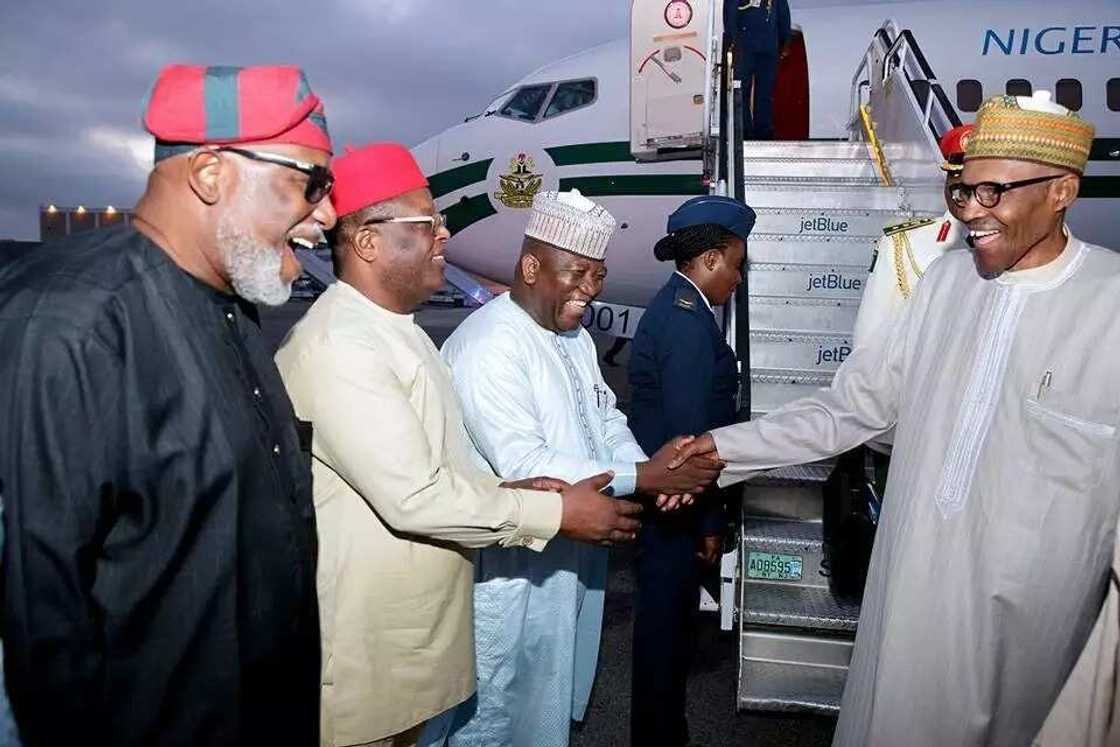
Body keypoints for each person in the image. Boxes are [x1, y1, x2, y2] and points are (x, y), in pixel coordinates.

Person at [670, 90, 1116, 745]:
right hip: (910, 603)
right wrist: (715, 448)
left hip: (1035, 647)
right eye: (964, 193)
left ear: (1062, 191)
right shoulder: (945, 284)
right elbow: (850, 408)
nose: (971, 214)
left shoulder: (1109, 306)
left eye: (993, 193)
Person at [0, 64, 336, 745]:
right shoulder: (74, 321)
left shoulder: (232, 309)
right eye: (311, 182)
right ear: (212, 175)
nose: (326, 214)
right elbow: (44, 624)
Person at [275, 147, 643, 747]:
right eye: (425, 224)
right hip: (373, 654)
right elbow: (416, 497)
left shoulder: (397, 333)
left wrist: (514, 490)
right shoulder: (343, 345)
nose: (444, 233)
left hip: (413, 647)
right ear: (367, 243)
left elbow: (439, 468)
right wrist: (553, 511)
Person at [441, 190, 723, 747]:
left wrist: (649, 465)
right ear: (530, 266)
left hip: (565, 561)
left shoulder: (572, 338)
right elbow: (526, 462)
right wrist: (647, 480)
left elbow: (605, 419)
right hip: (508, 577)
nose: (590, 290)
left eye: (598, 274)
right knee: (492, 717)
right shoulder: (490, 342)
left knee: (541, 717)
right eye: (577, 273)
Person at [627, 195, 756, 747]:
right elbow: (687, 442)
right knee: (663, 634)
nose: (739, 278)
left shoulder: (684, 308)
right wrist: (708, 521)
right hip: (674, 507)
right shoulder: (686, 323)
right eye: (736, 264)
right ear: (708, 260)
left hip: (671, 505)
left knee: (668, 631)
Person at [852, 123, 973, 347]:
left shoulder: (1024, 248)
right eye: (956, 182)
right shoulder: (903, 244)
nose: (965, 195)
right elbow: (868, 342)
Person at [724, 0, 792, 140]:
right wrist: (733, 41)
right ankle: (743, 131)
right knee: (742, 92)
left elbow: (783, 13)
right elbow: (730, 13)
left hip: (769, 46)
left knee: (765, 93)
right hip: (744, 46)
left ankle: (764, 131)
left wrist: (785, 40)